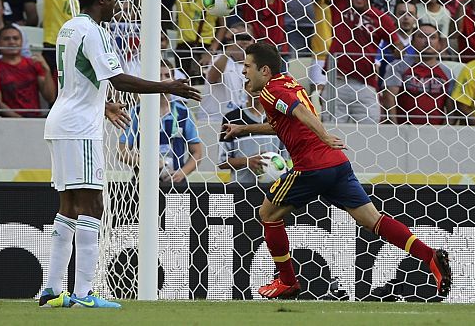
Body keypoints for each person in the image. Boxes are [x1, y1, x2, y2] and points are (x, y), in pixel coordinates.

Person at [222, 42, 451, 299]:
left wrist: (325, 134)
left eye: (247, 66)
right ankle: (429, 256)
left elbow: (299, 113)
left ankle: (287, 281)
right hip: (337, 165)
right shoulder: (286, 82)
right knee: (371, 220)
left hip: (311, 166)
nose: (243, 72)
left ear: (264, 70)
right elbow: (282, 123)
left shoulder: (270, 92)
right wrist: (243, 129)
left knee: (268, 214)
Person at [40, 0, 201, 309]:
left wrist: (105, 103)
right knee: (93, 206)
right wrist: (166, 87)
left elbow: (79, 79)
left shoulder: (69, 28)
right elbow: (117, 78)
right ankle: (83, 294)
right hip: (80, 129)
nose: (117, 3)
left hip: (62, 121)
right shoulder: (94, 31)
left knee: (68, 207)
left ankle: (52, 290)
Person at [118, 61, 204, 186]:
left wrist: (182, 173)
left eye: (167, 75)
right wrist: (148, 163)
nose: (163, 80)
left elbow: (197, 152)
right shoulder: (137, 112)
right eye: (158, 75)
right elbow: (122, 152)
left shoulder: (184, 113)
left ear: (174, 80)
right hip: (143, 181)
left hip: (175, 182)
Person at [218, 94, 286, 184]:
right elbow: (222, 162)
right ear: (245, 86)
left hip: (274, 188)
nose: (256, 90)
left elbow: (285, 160)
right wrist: (247, 161)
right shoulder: (232, 118)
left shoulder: (279, 118)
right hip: (241, 187)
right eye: (250, 82)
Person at [0, 26, 54, 117]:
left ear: (22, 42)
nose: (12, 42)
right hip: (8, 121)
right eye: (7, 39)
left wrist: (47, 70)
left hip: (35, 119)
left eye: (16, 38)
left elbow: (50, 97)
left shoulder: (33, 64)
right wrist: (21, 120)